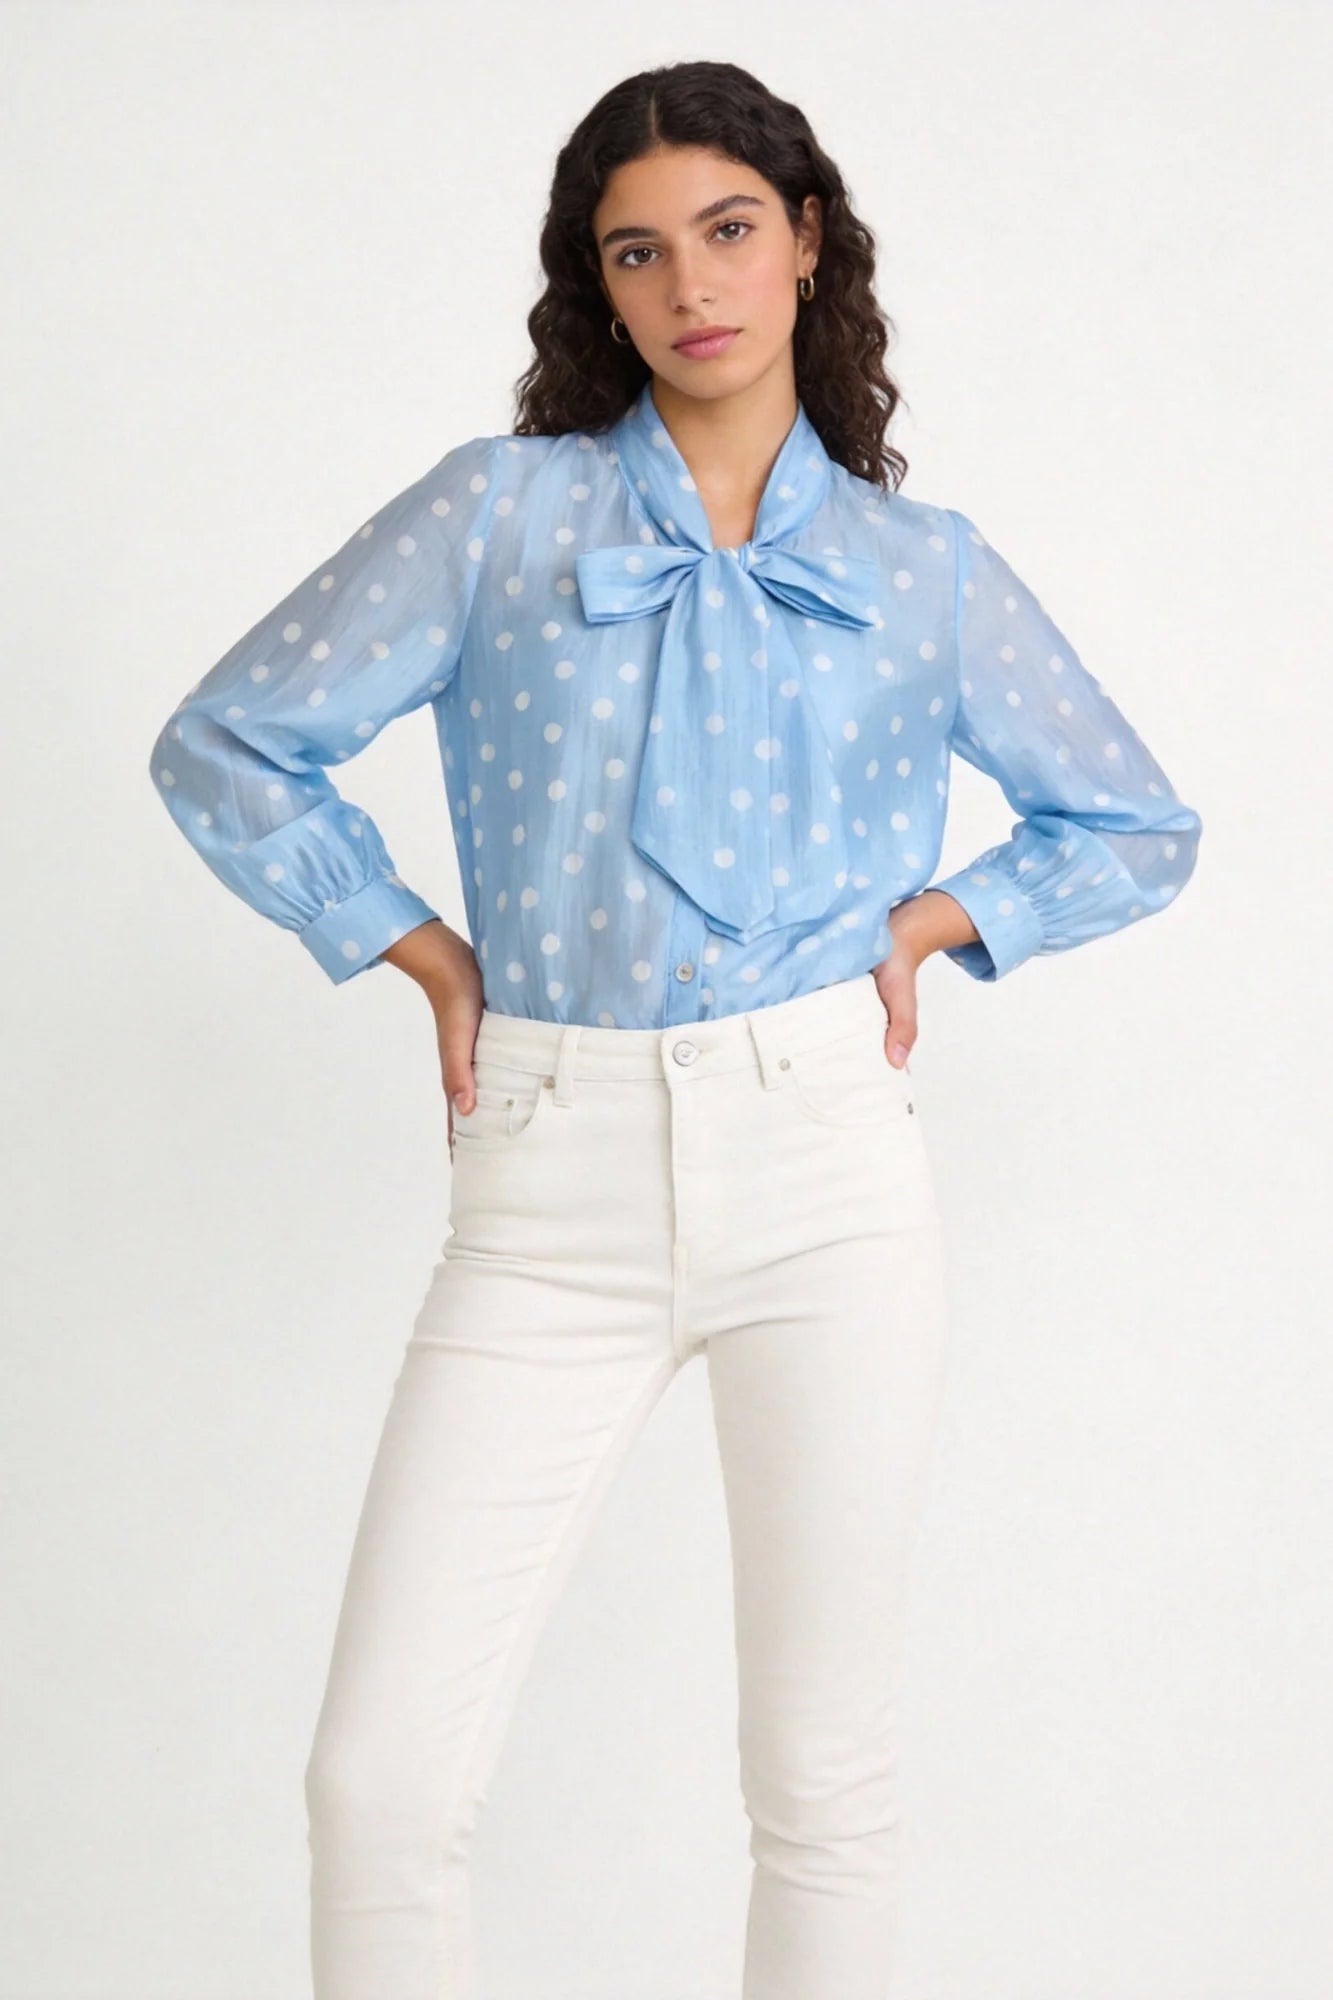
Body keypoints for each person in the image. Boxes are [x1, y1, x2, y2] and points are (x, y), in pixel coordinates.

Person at [147, 58, 1202, 2000]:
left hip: (827, 1165)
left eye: (726, 230)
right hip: (548, 1176)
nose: (690, 285)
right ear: (597, 286)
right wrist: (414, 948)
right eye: (636, 252)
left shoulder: (920, 570)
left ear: (806, 244)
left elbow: (1134, 824)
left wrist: (939, 922)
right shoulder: (498, 514)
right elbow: (227, 742)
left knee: (821, 1775)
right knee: (379, 1780)